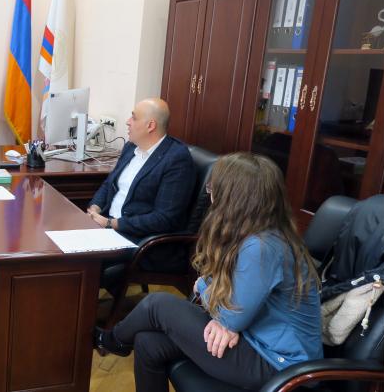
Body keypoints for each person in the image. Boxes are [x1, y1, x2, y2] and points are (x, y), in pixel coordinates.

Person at [94, 152, 322, 392]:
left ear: (233, 198)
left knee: (157, 304)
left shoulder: (262, 246)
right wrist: (222, 312)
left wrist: (206, 289)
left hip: (281, 367)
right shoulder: (257, 233)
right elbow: (230, 297)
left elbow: (231, 315)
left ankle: (112, 340)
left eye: (213, 188)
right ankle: (115, 341)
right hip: (257, 341)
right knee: (148, 343)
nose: (210, 194)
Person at [86, 98, 195, 278]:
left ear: (150, 125)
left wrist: (111, 224)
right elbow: (109, 184)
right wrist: (94, 208)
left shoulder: (176, 159)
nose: (128, 122)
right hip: (106, 225)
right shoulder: (131, 148)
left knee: (80, 260)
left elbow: (164, 219)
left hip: (140, 239)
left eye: (134, 117)